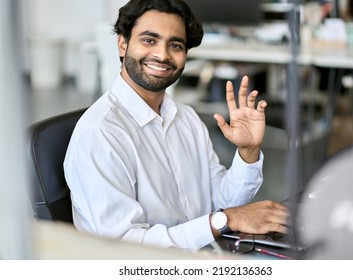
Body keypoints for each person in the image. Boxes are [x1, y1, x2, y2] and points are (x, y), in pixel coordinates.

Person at [63, 0, 288, 251]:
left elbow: (220, 201)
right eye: (149, 40)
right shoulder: (101, 135)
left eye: (175, 45)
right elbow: (126, 247)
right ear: (123, 43)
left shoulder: (187, 119)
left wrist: (248, 152)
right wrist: (225, 219)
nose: (162, 55)